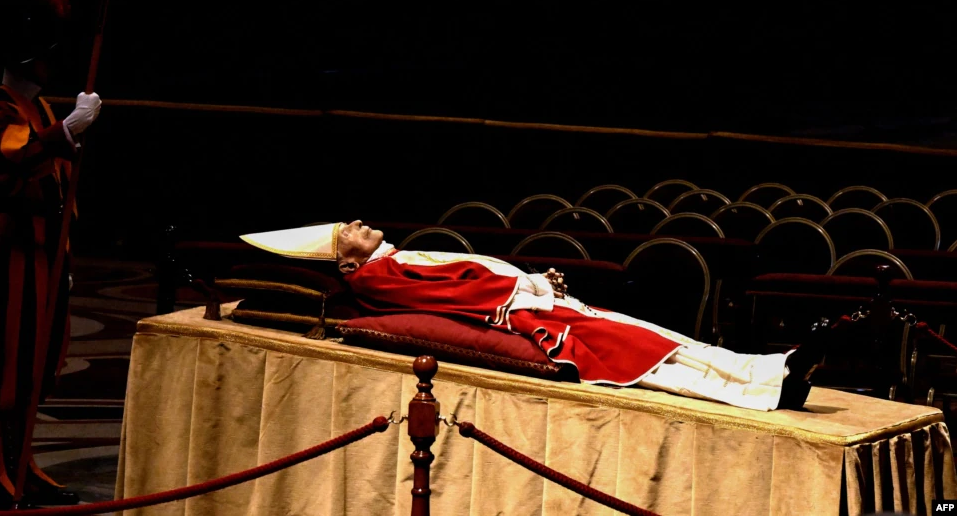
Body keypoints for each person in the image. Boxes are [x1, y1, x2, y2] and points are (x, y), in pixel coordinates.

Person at [241, 221, 842, 412]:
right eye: (343, 231)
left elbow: (468, 274)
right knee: (646, 357)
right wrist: (523, 299)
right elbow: (449, 299)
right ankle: (769, 388)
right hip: (529, 318)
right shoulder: (377, 274)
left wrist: (529, 283)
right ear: (344, 260)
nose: (354, 223)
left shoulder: (392, 259)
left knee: (657, 338)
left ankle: (771, 371)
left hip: (532, 302)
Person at [0, 0, 101, 510]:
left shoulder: (38, 107)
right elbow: (12, 160)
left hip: (44, 256)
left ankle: (23, 463)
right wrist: (66, 131)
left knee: (39, 366)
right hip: (14, 256)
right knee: (4, 369)